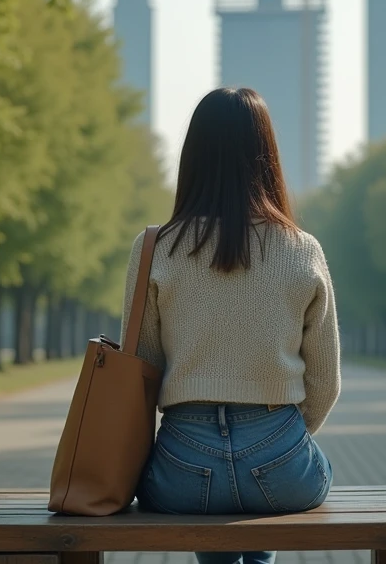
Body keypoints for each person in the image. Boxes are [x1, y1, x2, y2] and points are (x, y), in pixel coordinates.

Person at [120, 87, 342, 564]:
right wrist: (273, 438)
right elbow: (324, 381)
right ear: (267, 155)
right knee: (270, 490)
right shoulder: (302, 249)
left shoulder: (154, 248)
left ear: (192, 155)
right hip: (279, 454)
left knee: (208, 499)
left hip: (184, 458)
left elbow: (140, 369)